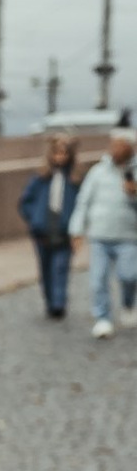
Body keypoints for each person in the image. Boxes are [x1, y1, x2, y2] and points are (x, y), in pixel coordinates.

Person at [70, 127, 137, 338]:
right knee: (98, 279)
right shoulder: (98, 171)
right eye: (113, 144)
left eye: (120, 145)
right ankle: (102, 318)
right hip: (99, 234)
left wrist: (133, 194)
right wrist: (77, 229)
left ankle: (128, 303)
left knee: (129, 275)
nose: (115, 149)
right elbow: (84, 201)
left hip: (128, 235)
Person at [19, 135, 80, 319]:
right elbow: (25, 202)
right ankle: (49, 299)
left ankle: (58, 304)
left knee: (60, 268)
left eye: (64, 153)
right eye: (57, 153)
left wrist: (77, 227)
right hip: (42, 231)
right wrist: (35, 219)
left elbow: (82, 205)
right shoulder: (40, 178)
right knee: (45, 269)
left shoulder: (74, 181)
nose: (60, 157)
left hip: (64, 232)